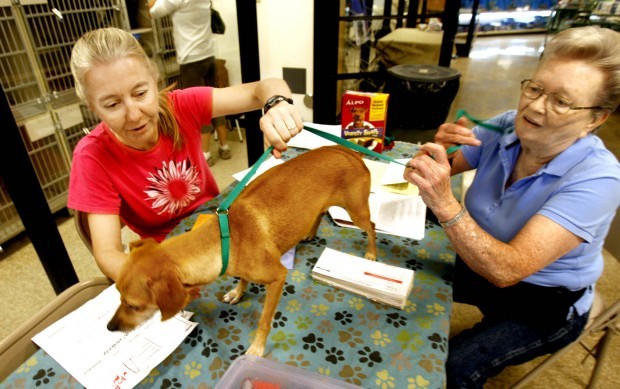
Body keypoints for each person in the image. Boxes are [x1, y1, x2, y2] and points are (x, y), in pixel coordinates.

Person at [403, 26, 620, 387]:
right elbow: (434, 168)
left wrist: (444, 202)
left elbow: (507, 270)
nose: (534, 106)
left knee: (452, 369)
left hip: (546, 301)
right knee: (400, 264)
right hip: (483, 260)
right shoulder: (506, 126)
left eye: (561, 101)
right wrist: (433, 152)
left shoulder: (599, 179)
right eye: (535, 88)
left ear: (595, 119)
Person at [68, 27, 302, 282]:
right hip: (171, 259)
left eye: (140, 93)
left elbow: (265, 87)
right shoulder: (92, 156)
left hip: (221, 229)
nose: (134, 114)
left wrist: (276, 103)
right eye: (112, 104)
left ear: (154, 81)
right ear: (92, 107)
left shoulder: (181, 106)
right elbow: (108, 254)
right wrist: (158, 280)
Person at [148, 0, 231, 166]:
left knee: (197, 108)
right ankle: (224, 146)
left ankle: (205, 154)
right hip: (208, 56)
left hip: (190, 60)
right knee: (214, 102)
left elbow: (154, 12)